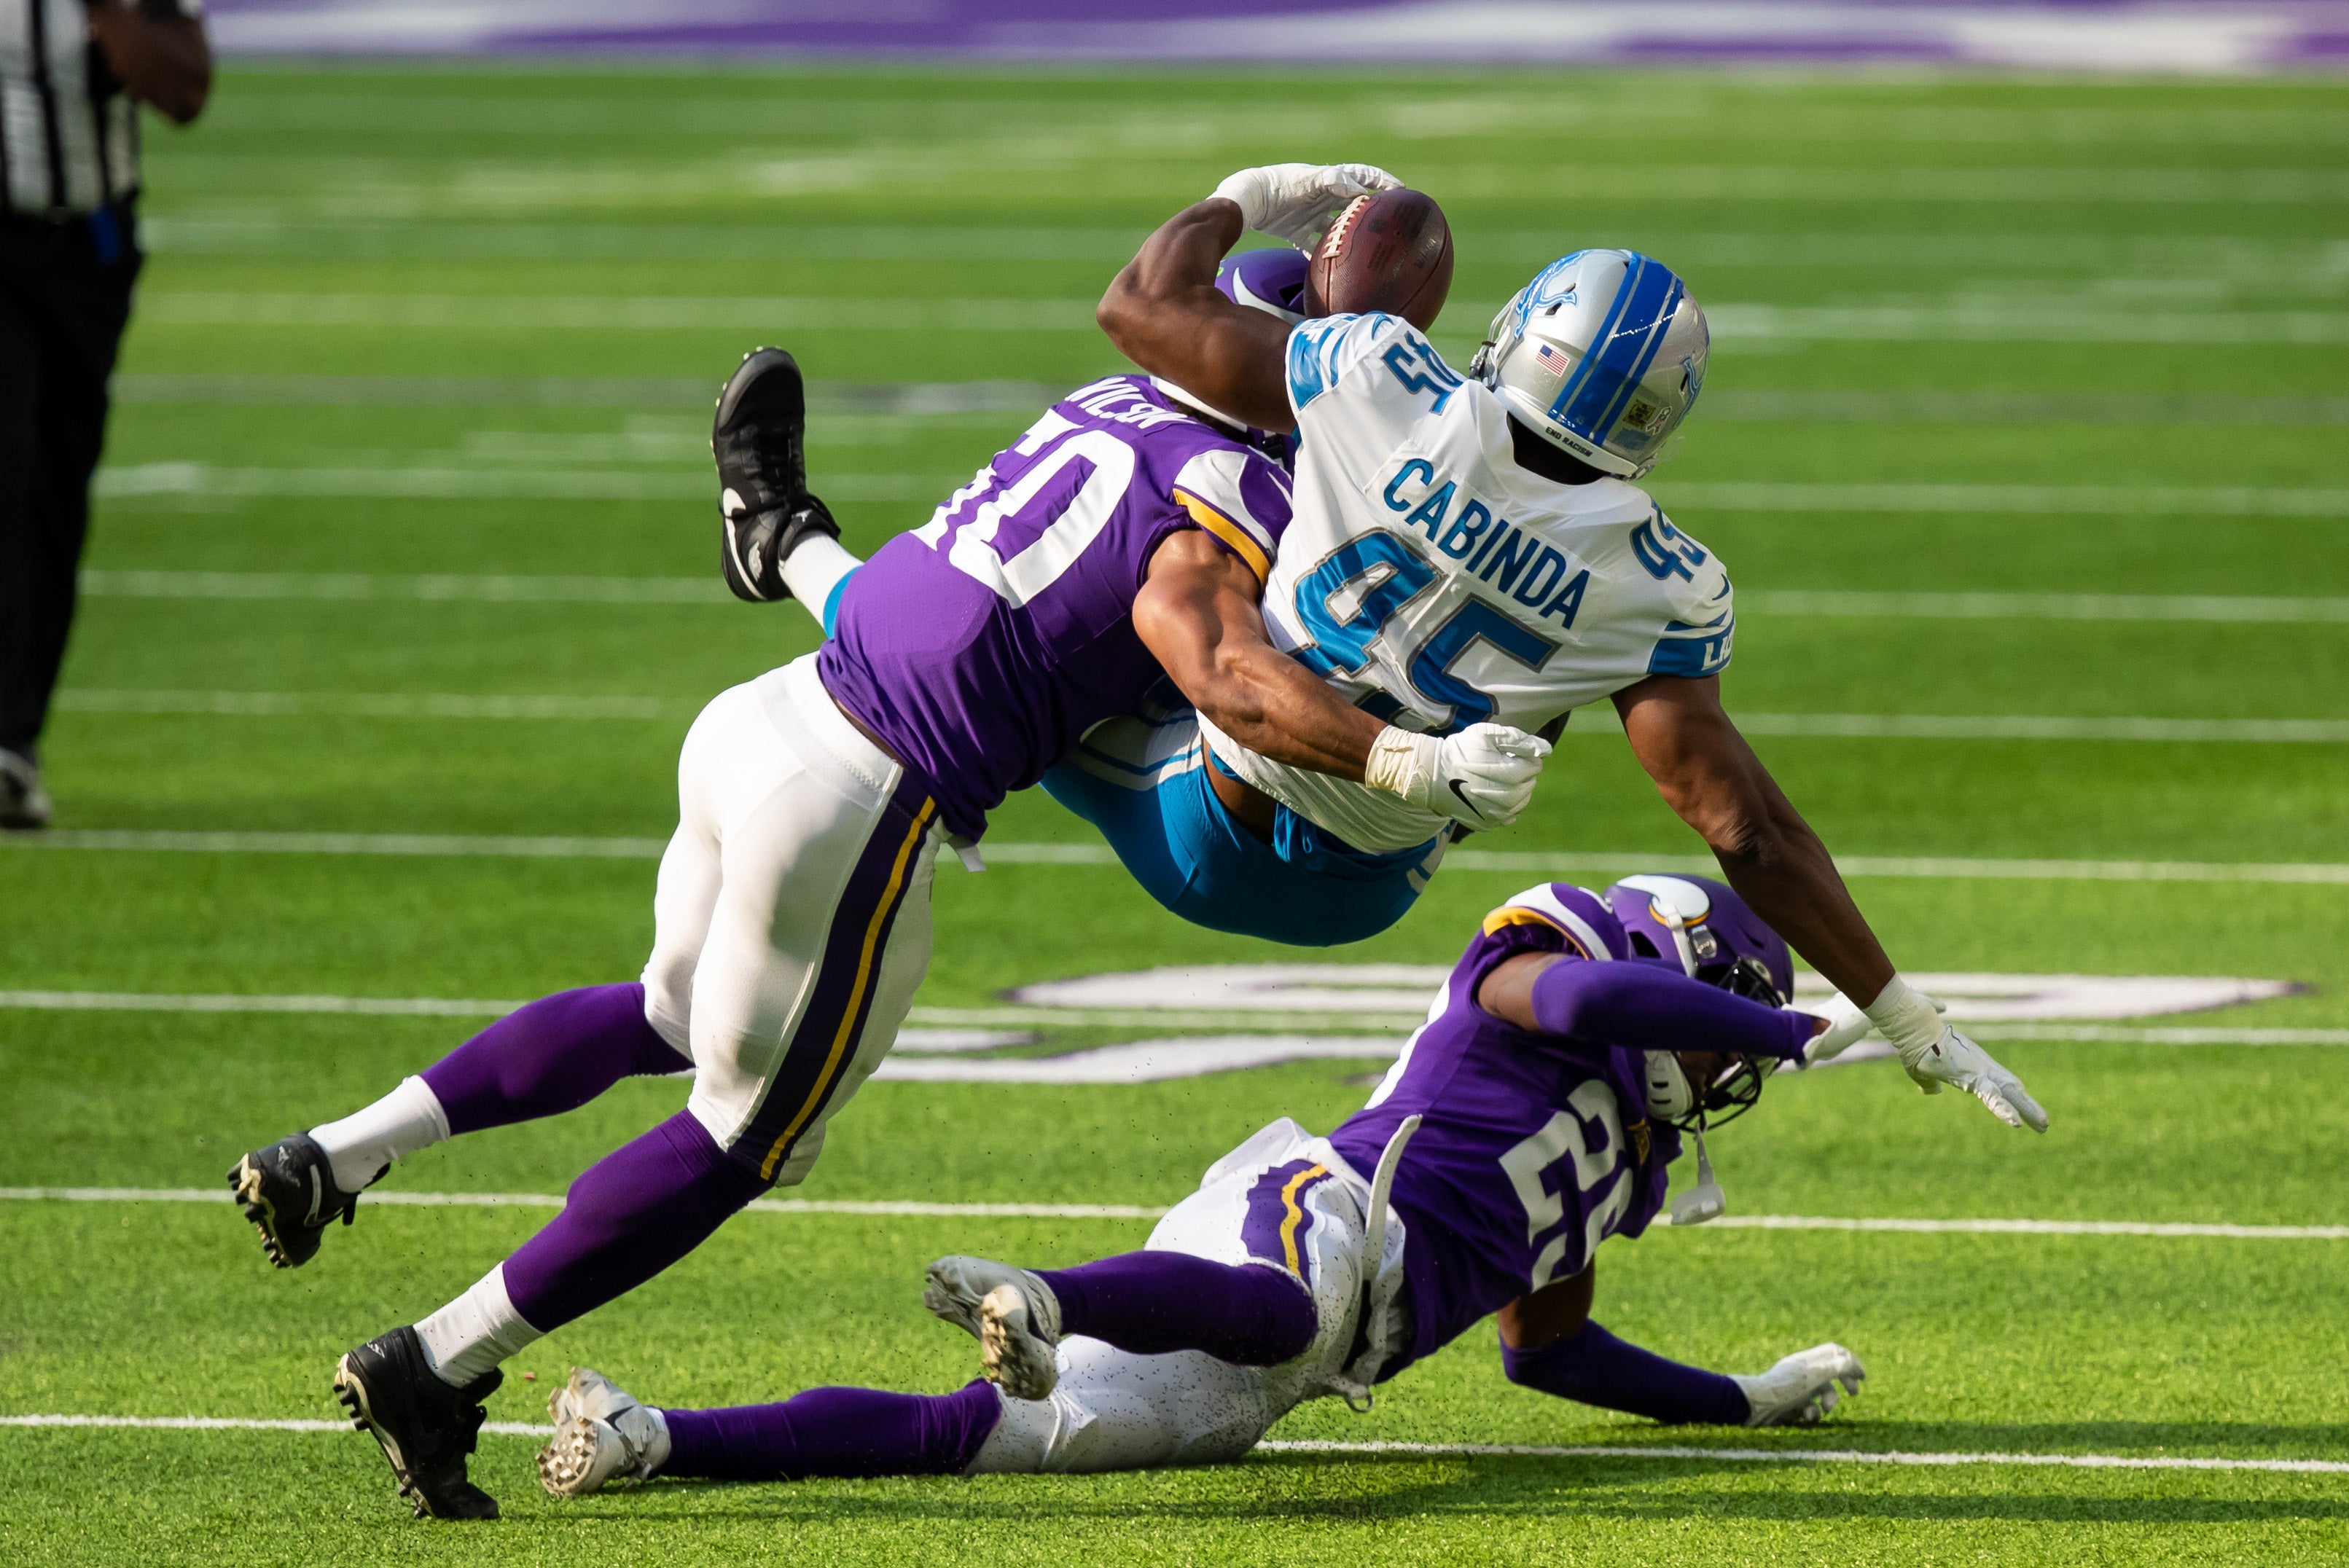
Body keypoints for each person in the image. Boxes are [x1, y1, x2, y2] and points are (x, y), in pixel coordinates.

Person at [227, 310, 1551, 1518]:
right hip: (863, 800)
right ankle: (437, 1362)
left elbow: (977, 589)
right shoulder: (1238, 497)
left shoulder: (1112, 406)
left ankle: (332, 1152)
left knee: (669, 1013)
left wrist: (1261, 190)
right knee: (743, 1141)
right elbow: (1224, 676)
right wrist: (1397, 759)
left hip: (767, 711)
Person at [762, 164, 2043, 1152]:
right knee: (1181, 607)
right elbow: (1739, 827)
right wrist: (1903, 1013)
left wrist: (1253, 194)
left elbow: (1141, 311)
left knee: (991, 661)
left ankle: (793, 558)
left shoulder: (1380, 375)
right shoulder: (1662, 582)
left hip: (1215, 806)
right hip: (1361, 887)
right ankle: (813, 583)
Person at [531, 876, 1875, 1495]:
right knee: (1287, 1306)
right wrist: (1790, 1026)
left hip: (1301, 1356)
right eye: (1718, 1023)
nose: (1721, 1059)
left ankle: (654, 1438)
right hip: (1313, 1208)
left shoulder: (1621, 1168)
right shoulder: (1521, 997)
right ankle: (1040, 1294)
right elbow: (1588, 987)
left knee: (1004, 1441)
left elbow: (1551, 1351)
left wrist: (1741, 1396)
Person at [1, 0, 211, 826]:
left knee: (54, 490)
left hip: (86, 249)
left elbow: (186, 87)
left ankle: (16, 741)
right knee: (6, 471)